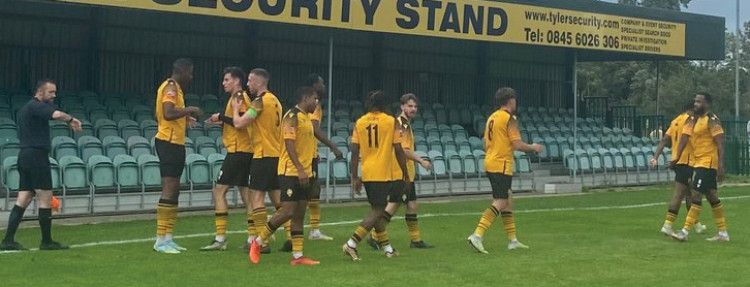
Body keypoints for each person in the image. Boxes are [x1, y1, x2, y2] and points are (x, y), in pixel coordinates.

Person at [0, 79, 81, 251]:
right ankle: (46, 241)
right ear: (40, 92)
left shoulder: (27, 108)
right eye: (51, 92)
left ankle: (8, 240)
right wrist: (71, 119)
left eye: (54, 92)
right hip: (36, 156)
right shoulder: (36, 106)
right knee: (45, 198)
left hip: (26, 155)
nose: (54, 96)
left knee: (24, 198)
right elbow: (57, 115)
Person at [248, 87, 320, 265]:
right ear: (305, 97)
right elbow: (289, 144)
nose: (316, 103)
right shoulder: (291, 117)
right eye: (315, 99)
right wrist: (300, 169)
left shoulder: (306, 118)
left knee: (299, 215)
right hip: (291, 172)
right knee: (287, 211)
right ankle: (258, 242)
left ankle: (298, 256)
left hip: (305, 173)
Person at [467, 87, 542, 254]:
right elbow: (517, 144)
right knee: (500, 202)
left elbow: (485, 144)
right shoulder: (510, 118)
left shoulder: (492, 117)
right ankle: (477, 235)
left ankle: (512, 240)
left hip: (491, 162)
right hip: (501, 165)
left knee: (508, 201)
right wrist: (533, 147)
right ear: (511, 101)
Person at [342, 90, 410, 261]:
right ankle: (351, 243)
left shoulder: (360, 122)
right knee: (378, 211)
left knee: (377, 211)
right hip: (382, 173)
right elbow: (398, 149)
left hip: (367, 172)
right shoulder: (390, 121)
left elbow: (354, 151)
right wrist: (405, 173)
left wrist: (355, 177)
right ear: (384, 104)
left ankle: (388, 249)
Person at [232, 68, 289, 253]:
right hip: (276, 155)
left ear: (258, 82)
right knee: (279, 200)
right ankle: (290, 237)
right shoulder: (276, 101)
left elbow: (240, 123)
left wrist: (235, 110)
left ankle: (261, 242)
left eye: (250, 81)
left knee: (255, 197)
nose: (248, 84)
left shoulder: (259, 102)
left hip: (262, 155)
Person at [367, 93, 433, 250]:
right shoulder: (401, 124)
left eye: (415, 106)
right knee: (394, 204)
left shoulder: (405, 124)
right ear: (402, 106)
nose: (413, 109)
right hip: (399, 173)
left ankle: (415, 240)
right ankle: (376, 236)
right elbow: (404, 150)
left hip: (405, 173)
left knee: (411, 204)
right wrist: (422, 161)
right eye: (410, 106)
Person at [200, 67, 255, 251]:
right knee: (246, 195)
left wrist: (221, 117)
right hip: (245, 150)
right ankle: (253, 237)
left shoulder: (238, 97)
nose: (224, 83)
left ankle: (220, 238)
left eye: (226, 79)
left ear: (237, 80)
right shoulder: (239, 97)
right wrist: (221, 120)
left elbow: (242, 122)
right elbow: (238, 121)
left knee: (219, 191)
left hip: (239, 151)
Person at [153, 58, 203, 254]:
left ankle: (168, 237)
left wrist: (184, 117)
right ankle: (159, 241)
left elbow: (165, 113)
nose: (191, 77)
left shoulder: (177, 89)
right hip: (168, 142)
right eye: (190, 72)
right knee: (169, 188)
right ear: (182, 71)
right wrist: (190, 109)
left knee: (175, 190)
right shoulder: (171, 86)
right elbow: (167, 113)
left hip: (176, 142)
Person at [671, 93, 729, 242]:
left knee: (695, 194)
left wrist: (721, 165)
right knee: (712, 196)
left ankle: (684, 232)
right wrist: (677, 157)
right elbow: (685, 137)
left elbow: (720, 144)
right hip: (698, 162)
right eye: (695, 101)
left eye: (698, 101)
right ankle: (723, 233)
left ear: (707, 104)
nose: (695, 104)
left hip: (708, 163)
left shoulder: (712, 120)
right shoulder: (694, 119)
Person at [651, 101, 706, 236]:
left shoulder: (676, 121)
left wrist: (655, 157)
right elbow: (685, 140)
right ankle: (667, 225)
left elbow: (664, 139)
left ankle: (696, 224)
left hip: (678, 162)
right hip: (687, 161)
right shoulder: (689, 121)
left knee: (689, 193)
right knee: (681, 194)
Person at [303, 73, 344, 241]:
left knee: (314, 191)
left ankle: (314, 230)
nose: (324, 86)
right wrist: (333, 147)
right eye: (322, 83)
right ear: (314, 86)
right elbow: (314, 128)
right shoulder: (315, 105)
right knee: (304, 193)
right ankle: (276, 224)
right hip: (306, 155)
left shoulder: (307, 104)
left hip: (310, 153)